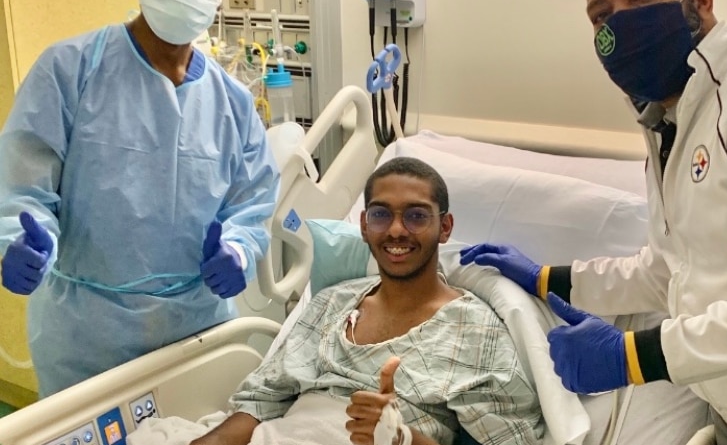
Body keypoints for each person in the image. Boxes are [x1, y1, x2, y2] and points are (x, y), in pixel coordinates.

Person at [461, 0, 727, 445]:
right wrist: (547, 278)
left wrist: (633, 355)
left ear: (699, 0)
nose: (618, 23)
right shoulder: (672, 122)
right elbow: (668, 270)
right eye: (600, 15)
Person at [0, 0, 279, 398]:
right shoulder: (71, 71)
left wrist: (238, 249)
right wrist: (18, 242)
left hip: (197, 328)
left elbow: (251, 201)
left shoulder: (232, 103)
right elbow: (23, 184)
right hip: (86, 337)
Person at [189, 157, 543, 445]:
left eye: (416, 215)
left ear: (445, 227)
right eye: (381, 214)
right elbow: (260, 400)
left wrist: (403, 438)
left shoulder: (476, 331)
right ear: (363, 225)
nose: (396, 230)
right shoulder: (332, 302)